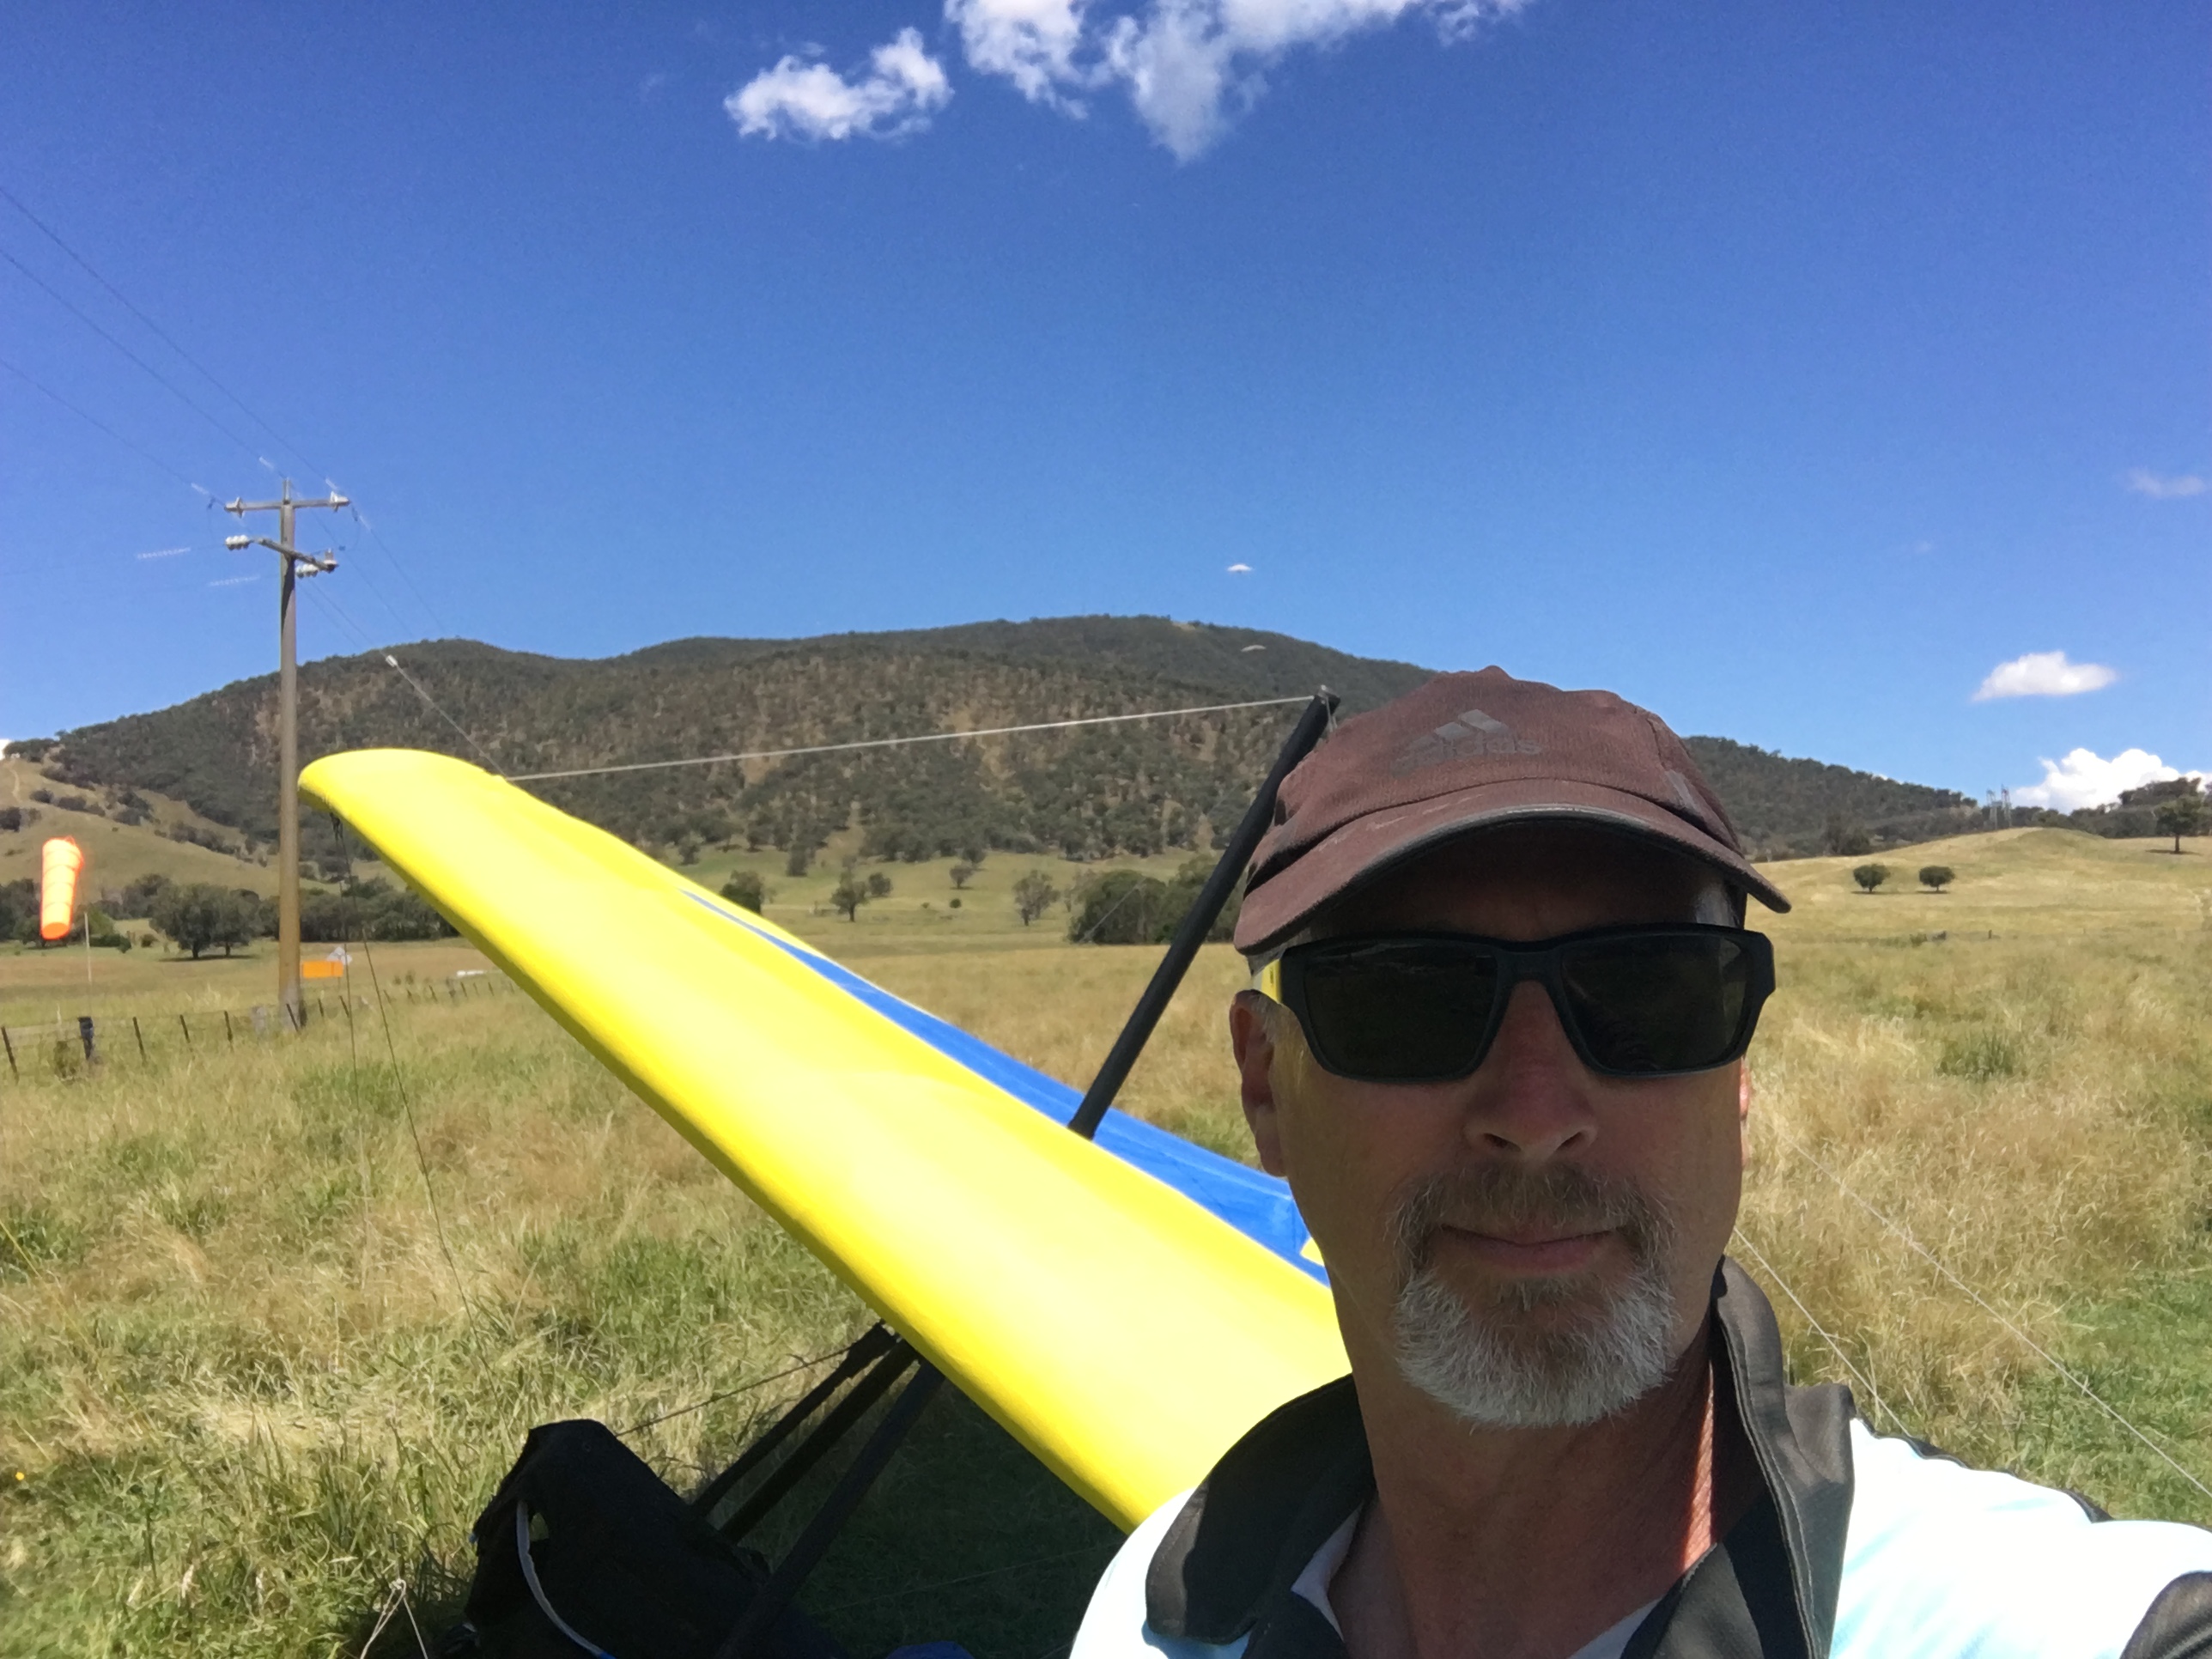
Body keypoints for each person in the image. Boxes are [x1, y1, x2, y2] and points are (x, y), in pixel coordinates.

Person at [1074, 668, 2212, 1659]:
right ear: (1266, 1086)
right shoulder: (1156, 1608)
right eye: (1407, 1001)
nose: (1534, 1116)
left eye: (1649, 996)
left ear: (1738, 1081)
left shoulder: (2047, 1618)